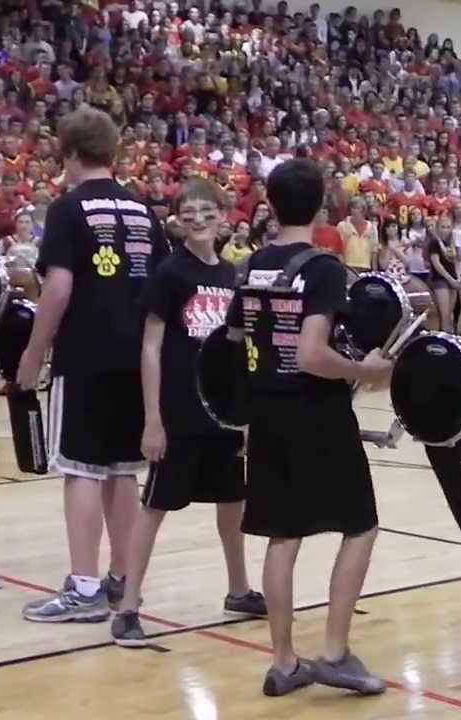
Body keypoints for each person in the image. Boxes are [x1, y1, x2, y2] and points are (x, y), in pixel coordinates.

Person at [224, 159, 392, 697]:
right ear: (322, 206)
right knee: (361, 524)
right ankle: (336, 651)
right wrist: (364, 370)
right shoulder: (322, 267)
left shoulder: (250, 266)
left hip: (265, 410)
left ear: (269, 205)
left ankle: (283, 661)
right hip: (315, 410)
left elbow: (232, 339)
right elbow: (313, 354)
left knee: (283, 534)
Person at [17, 107, 169, 623]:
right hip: (137, 356)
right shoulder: (144, 211)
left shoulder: (67, 209)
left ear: (70, 154)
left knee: (79, 468)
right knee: (122, 472)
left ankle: (83, 588)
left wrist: (32, 353)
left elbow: (57, 287)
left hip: (85, 353)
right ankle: (122, 580)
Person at [111, 179, 267, 648]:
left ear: (224, 216)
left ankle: (238, 589)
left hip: (223, 414)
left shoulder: (233, 276)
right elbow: (151, 348)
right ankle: (128, 605)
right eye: (189, 211)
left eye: (207, 210)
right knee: (155, 506)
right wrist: (152, 418)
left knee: (232, 503)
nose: (198, 218)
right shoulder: (169, 274)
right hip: (179, 412)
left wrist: (246, 413)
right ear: (176, 221)